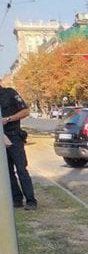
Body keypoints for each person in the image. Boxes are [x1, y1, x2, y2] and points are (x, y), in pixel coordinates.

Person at [0, 82, 36, 210]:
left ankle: (31, 201)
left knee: (21, 169)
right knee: (7, 171)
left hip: (14, 136)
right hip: (1, 138)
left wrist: (8, 119)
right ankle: (17, 199)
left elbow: (25, 111)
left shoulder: (10, 93)